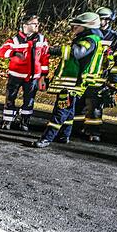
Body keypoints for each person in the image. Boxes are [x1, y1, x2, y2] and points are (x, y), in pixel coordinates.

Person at [33, 12, 105, 148]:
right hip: (74, 82)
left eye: (76, 26)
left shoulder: (89, 40)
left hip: (71, 83)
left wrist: (52, 50)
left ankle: (46, 139)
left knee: (61, 110)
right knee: (70, 111)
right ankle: (63, 136)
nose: (73, 29)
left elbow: (77, 52)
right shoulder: (92, 38)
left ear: (87, 26)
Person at [73, 6, 117, 142]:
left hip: (100, 78)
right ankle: (76, 129)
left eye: (103, 19)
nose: (100, 21)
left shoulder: (116, 38)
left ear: (109, 21)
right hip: (83, 76)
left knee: (94, 106)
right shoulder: (87, 35)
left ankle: (93, 131)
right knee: (78, 104)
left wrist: (114, 78)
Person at [0, 13, 49, 131]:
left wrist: (44, 75)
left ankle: (25, 121)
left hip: (33, 77)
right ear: (25, 25)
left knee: (29, 100)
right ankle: (7, 121)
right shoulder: (15, 40)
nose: (37, 26)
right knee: (10, 98)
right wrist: (13, 53)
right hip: (16, 76)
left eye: (37, 23)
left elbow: (45, 57)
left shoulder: (41, 39)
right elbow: (0, 52)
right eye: (34, 23)